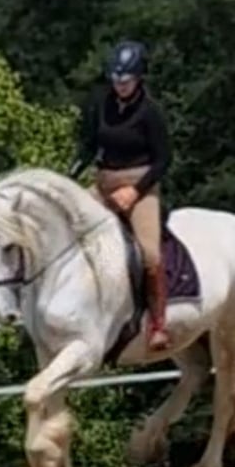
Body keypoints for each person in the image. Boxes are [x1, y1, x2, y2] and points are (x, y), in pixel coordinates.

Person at [68, 40, 172, 351]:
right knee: (69, 230)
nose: (119, 86)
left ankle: (157, 324)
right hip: (103, 181)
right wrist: (68, 178)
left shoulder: (150, 113)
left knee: (150, 256)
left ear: (138, 78)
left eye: (124, 80)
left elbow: (164, 160)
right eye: (115, 79)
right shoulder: (100, 103)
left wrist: (135, 190)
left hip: (140, 185)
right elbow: (88, 145)